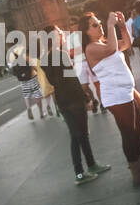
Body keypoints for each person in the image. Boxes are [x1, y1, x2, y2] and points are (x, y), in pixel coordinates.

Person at [79, 11, 140, 186]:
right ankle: (137, 174)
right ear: (86, 32)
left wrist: (121, 26)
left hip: (125, 91)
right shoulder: (91, 48)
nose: (99, 26)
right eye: (95, 25)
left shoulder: (104, 42)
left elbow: (127, 44)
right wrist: (109, 25)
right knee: (129, 133)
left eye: (99, 22)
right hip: (116, 96)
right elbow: (112, 49)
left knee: (138, 128)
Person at [42, 25, 111, 184]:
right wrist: (86, 99)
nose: (62, 34)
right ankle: (81, 172)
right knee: (80, 135)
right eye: (59, 32)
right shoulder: (61, 54)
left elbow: (54, 82)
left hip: (62, 100)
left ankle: (89, 166)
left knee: (77, 135)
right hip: (73, 99)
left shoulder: (45, 58)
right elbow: (72, 80)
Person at [9, 46, 44, 120]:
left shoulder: (11, 54)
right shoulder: (23, 49)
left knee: (26, 95)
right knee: (36, 94)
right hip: (31, 76)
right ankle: (41, 113)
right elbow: (31, 63)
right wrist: (37, 70)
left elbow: (13, 68)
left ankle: (28, 108)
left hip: (22, 79)